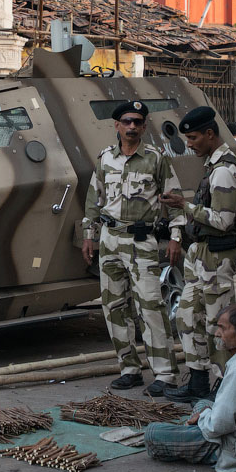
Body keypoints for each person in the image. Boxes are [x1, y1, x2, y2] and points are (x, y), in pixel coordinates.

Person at [81, 100, 186, 396]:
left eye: (137, 122)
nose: (132, 126)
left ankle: (165, 374)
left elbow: (174, 200)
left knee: (150, 306)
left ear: (143, 126)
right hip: (110, 241)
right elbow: (94, 200)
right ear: (116, 125)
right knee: (114, 306)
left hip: (142, 242)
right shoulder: (105, 160)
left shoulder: (156, 159)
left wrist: (176, 236)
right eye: (126, 121)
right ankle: (129, 369)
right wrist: (88, 236)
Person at [161, 106, 236, 403]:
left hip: (216, 257)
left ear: (210, 134)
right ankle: (197, 382)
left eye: (194, 137)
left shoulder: (223, 169)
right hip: (202, 256)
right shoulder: (213, 165)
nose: (190, 144)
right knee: (186, 317)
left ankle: (224, 387)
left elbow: (223, 220)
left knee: (219, 326)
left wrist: (185, 205)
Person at [145, 303, 236, 472]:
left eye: (223, 328)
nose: (217, 334)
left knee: (152, 433)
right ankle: (192, 427)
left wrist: (203, 418)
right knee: (202, 404)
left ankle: (197, 444)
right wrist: (205, 414)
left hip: (235, 444)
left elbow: (219, 425)